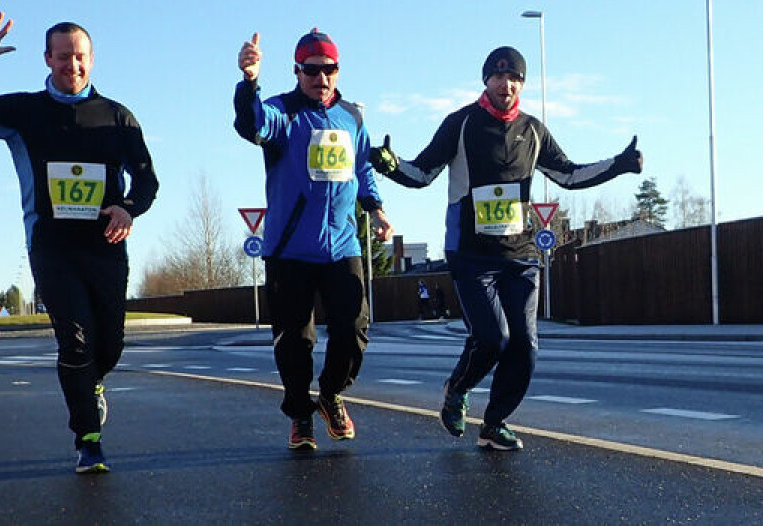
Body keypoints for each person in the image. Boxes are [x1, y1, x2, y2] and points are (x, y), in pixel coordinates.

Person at [370, 46, 642, 451]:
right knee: (493, 337)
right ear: (486, 80)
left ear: (522, 84)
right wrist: (390, 165)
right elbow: (423, 172)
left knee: (525, 347)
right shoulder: (460, 124)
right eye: (498, 77)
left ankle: (495, 422)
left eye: (514, 77)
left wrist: (617, 165)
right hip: (471, 253)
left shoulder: (533, 131)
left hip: (520, 256)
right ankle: (457, 390)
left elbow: (568, 175)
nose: (506, 84)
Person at [0, 11, 159, 473]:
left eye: (79, 57)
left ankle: (91, 386)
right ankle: (88, 440)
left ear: (92, 60)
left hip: (106, 246)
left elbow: (148, 182)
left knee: (109, 346)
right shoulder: (25, 113)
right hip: (52, 247)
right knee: (75, 344)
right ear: (47, 59)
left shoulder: (117, 117)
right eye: (62, 57)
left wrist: (127, 208)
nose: (71, 66)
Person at [234, 29, 393, 450]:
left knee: (354, 328)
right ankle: (300, 416)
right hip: (290, 249)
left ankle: (330, 394)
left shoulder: (352, 117)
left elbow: (363, 167)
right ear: (297, 71)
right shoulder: (281, 113)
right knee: (296, 341)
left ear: (338, 71)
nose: (320, 78)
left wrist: (375, 209)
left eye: (329, 70)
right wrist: (249, 81)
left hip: (342, 245)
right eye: (311, 71)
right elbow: (251, 124)